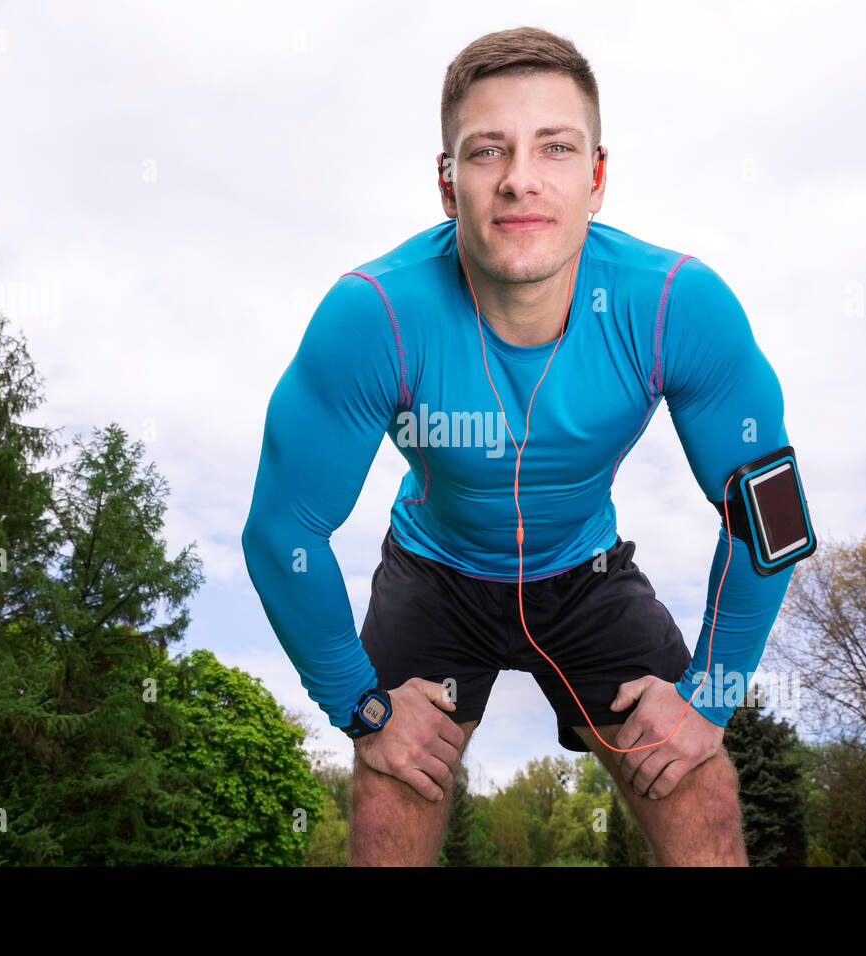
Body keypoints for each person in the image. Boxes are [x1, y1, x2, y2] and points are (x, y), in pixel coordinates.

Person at [241, 26, 812, 866]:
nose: (519, 180)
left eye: (554, 148)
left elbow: (772, 522)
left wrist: (711, 698)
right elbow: (280, 532)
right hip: (435, 573)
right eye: (486, 152)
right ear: (447, 183)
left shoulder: (677, 307)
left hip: (585, 575)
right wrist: (360, 706)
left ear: (597, 177)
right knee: (393, 783)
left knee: (697, 778)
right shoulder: (374, 316)